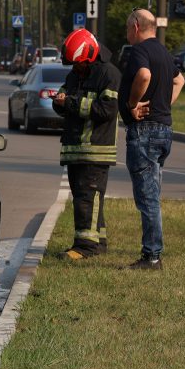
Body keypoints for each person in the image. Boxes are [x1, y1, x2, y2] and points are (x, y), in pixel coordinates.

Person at [119, 8, 185, 270]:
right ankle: (153, 252)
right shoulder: (164, 53)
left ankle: (152, 256)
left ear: (135, 26)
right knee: (153, 193)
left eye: (127, 29)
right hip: (164, 130)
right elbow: (180, 80)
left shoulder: (140, 51)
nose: (128, 33)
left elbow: (143, 75)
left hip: (144, 131)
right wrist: (162, 105)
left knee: (147, 196)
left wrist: (133, 104)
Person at [52, 29, 121, 260]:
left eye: (77, 64)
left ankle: (85, 247)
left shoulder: (109, 75)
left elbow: (107, 110)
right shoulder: (75, 75)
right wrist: (60, 102)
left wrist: (70, 102)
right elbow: (65, 96)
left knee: (86, 198)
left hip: (95, 150)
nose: (74, 68)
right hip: (76, 149)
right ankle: (98, 243)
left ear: (89, 57)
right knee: (88, 199)